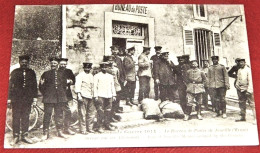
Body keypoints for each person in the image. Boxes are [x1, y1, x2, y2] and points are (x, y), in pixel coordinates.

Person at [8, 55, 38, 145]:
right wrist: (9, 99)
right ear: (20, 62)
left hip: (27, 99)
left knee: (26, 117)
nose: (24, 64)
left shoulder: (31, 72)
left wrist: (35, 98)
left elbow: (34, 86)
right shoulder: (14, 72)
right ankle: (16, 136)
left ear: (28, 63)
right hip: (16, 99)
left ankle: (25, 136)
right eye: (22, 62)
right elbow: (9, 86)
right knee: (16, 117)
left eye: (26, 62)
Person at [39, 57, 68, 140]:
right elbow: (41, 86)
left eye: (55, 63)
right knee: (47, 114)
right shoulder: (45, 73)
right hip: (49, 98)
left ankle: (59, 131)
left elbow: (65, 85)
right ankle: (45, 133)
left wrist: (61, 95)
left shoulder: (62, 74)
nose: (53, 64)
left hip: (59, 98)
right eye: (52, 63)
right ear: (50, 64)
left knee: (59, 114)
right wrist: (47, 94)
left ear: (57, 64)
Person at [94, 62, 116, 133]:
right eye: (102, 67)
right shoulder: (97, 76)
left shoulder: (110, 76)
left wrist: (114, 95)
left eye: (105, 67)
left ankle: (107, 124)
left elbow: (112, 86)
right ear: (100, 68)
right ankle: (99, 126)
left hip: (109, 95)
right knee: (100, 111)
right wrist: (96, 96)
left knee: (108, 111)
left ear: (107, 68)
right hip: (100, 95)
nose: (104, 68)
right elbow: (95, 87)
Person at [75, 62, 96, 133]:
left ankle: (90, 128)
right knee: (82, 113)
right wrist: (79, 96)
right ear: (83, 68)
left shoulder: (91, 76)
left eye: (89, 68)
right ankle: (83, 129)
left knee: (91, 113)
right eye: (86, 68)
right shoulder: (80, 76)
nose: (87, 69)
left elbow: (93, 87)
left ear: (90, 68)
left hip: (91, 96)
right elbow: (77, 86)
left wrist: (94, 95)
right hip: (83, 96)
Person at [58, 58, 76, 135]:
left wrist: (70, 81)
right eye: (61, 64)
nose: (63, 65)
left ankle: (66, 128)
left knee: (67, 112)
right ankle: (60, 129)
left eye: (64, 64)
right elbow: (59, 82)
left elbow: (73, 80)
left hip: (67, 94)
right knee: (60, 112)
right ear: (59, 64)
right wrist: (66, 81)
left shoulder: (69, 71)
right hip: (58, 94)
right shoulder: (56, 72)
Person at [105, 55, 122, 122]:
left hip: (116, 87)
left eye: (112, 60)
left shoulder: (116, 69)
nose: (110, 62)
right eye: (109, 60)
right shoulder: (105, 69)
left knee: (115, 103)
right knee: (109, 104)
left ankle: (113, 115)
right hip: (109, 88)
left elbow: (117, 77)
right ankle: (109, 117)